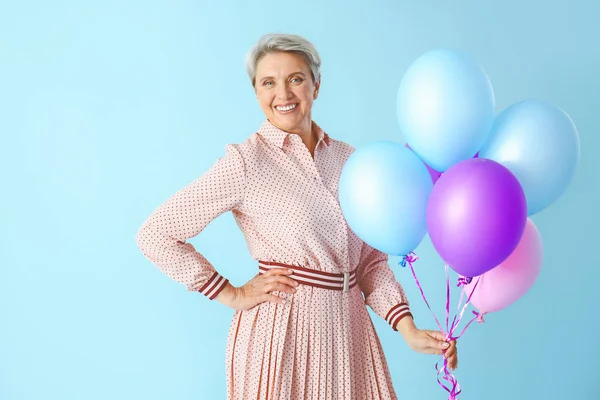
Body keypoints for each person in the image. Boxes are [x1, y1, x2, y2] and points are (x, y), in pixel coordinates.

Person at [135, 33, 457, 400]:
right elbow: (156, 234)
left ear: (316, 85)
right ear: (256, 92)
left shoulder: (351, 161)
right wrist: (231, 293)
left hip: (349, 335)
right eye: (268, 82)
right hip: (282, 334)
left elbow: (369, 262)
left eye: (296, 79)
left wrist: (407, 327)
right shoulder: (245, 162)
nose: (283, 94)